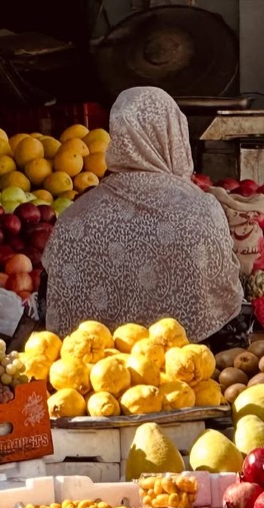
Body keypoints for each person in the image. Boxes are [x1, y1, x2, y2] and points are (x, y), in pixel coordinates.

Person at [41, 86, 244, 344]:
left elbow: (50, 310)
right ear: (175, 134)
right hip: (191, 376)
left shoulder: (74, 219)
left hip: (91, 376)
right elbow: (225, 314)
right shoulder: (202, 212)